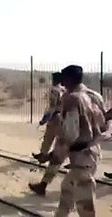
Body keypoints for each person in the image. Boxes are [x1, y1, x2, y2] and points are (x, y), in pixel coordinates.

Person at [29, 79, 106, 196]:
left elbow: (64, 117)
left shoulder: (70, 97)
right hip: (91, 140)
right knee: (85, 169)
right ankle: (47, 186)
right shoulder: (96, 96)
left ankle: (46, 185)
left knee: (60, 161)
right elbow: (104, 120)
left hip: (72, 137)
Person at [52, 65, 102, 217]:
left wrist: (55, 154)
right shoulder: (90, 96)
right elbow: (103, 126)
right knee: (67, 191)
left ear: (68, 79)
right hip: (90, 153)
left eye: (63, 78)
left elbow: (70, 134)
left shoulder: (72, 98)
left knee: (86, 208)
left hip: (82, 159)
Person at [32, 72, 65, 163]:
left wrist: (44, 119)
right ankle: (47, 154)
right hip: (62, 116)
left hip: (54, 116)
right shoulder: (63, 90)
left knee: (49, 137)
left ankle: (45, 155)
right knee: (59, 138)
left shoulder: (54, 90)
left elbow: (52, 106)